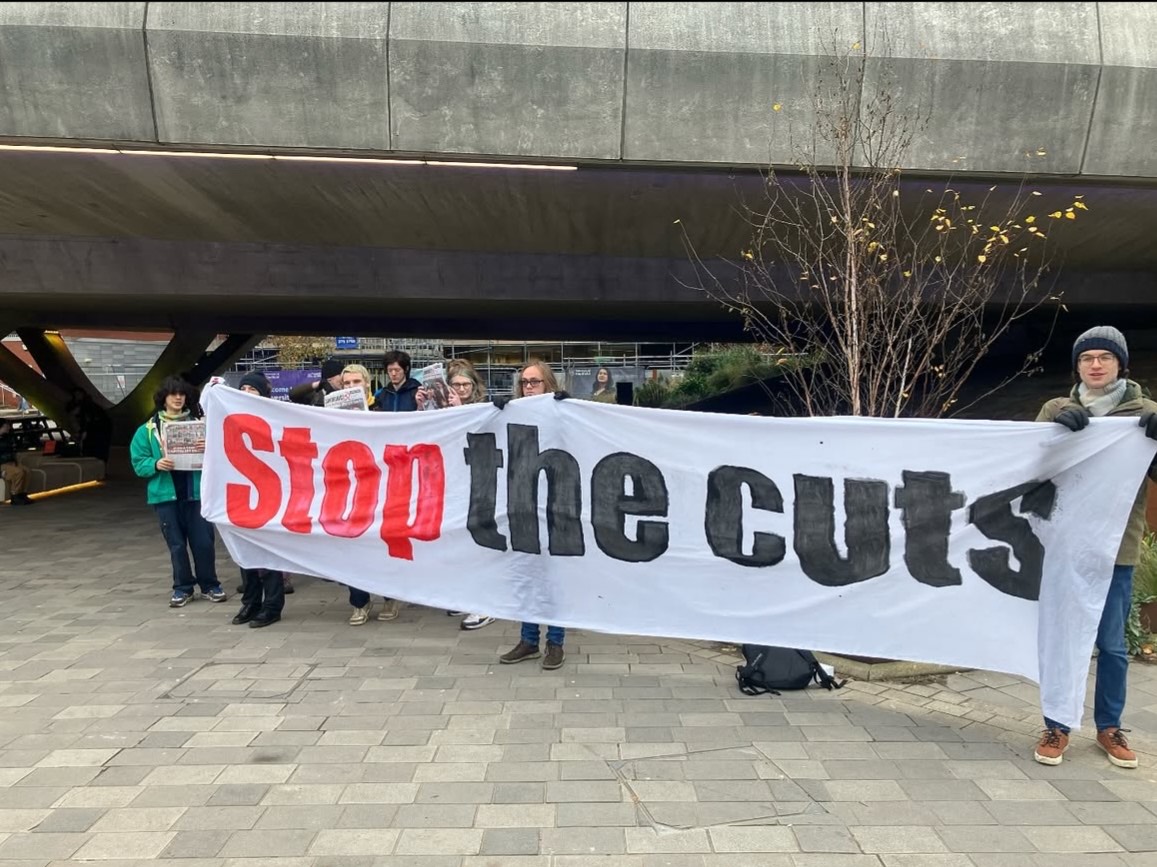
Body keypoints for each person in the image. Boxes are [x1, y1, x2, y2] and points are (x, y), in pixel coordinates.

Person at [1034, 326, 1157, 769]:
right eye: (1087, 358)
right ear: (1078, 366)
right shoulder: (1057, 408)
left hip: (1116, 548)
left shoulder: (1146, 413)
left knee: (1113, 644)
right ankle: (1056, 724)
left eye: (1106, 357)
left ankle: (1110, 725)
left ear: (1121, 363)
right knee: (1061, 638)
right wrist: (1055, 432)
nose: (1096, 365)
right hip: (1064, 545)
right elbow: (1035, 466)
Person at [495, 360, 570, 670]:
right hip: (523, 505)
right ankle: (528, 639)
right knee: (526, 575)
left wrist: (569, 410)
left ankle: (555, 642)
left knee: (553, 577)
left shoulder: (562, 413)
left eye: (535, 382)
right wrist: (494, 412)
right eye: (525, 382)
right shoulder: (511, 411)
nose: (528, 387)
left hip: (555, 504)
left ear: (548, 384)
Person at [130, 376, 226, 608]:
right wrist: (155, 464)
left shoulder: (201, 425)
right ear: (163, 398)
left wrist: (210, 447)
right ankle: (183, 588)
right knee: (176, 545)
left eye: (181, 394)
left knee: (203, 542)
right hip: (166, 496)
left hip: (197, 494)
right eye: (173, 394)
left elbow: (222, 456)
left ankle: (210, 584)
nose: (178, 398)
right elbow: (138, 462)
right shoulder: (148, 430)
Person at [424, 360, 496, 631]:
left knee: (479, 545)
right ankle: (465, 596)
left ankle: (485, 605)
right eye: (456, 385)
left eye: (466, 384)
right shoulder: (440, 408)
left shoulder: (484, 409)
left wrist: (459, 412)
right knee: (458, 544)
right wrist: (424, 407)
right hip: (451, 483)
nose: (462, 389)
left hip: (478, 485)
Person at [339, 364, 401, 624]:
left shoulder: (381, 409)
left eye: (356, 382)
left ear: (367, 384)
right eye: (346, 383)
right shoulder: (331, 413)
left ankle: (389, 596)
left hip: (380, 486)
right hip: (347, 487)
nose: (351, 387)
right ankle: (359, 601)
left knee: (380, 545)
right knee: (352, 547)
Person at [230, 372, 286, 628]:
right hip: (241, 494)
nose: (248, 392)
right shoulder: (229, 418)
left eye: (254, 389)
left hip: (269, 493)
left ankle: (272, 605)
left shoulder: (275, 418)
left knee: (268, 553)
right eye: (244, 388)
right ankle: (250, 602)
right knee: (246, 551)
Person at [0, 420, 32, 505]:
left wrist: (17, 462)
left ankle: (23, 494)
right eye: (6, 426)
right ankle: (15, 495)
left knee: (27, 471)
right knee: (19, 472)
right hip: (2, 464)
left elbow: (14, 452)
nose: (8, 428)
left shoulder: (7, 438)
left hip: (11, 462)